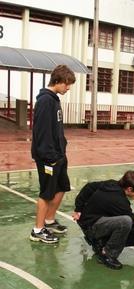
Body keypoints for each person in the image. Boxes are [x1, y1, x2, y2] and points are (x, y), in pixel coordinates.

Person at [72, 170, 134, 270]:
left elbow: (89, 187)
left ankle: (100, 243)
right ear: (129, 189)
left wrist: (78, 209)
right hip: (91, 227)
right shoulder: (120, 202)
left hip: (94, 221)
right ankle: (107, 255)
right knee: (125, 222)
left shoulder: (111, 183)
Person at [30, 65, 76, 244]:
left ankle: (48, 221)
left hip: (58, 154)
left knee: (62, 187)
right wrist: (50, 156)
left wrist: (61, 148)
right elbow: (41, 132)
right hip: (48, 157)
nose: (68, 88)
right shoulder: (45, 101)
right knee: (46, 193)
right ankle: (38, 230)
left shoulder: (54, 99)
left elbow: (55, 129)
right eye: (67, 84)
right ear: (57, 81)